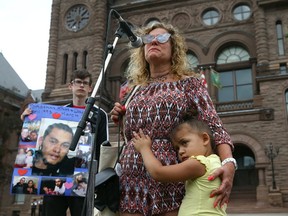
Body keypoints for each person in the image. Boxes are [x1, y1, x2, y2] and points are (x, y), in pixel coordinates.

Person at [110, 22, 236, 215]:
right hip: (131, 177)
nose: (154, 42)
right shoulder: (134, 89)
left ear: (174, 48)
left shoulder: (188, 83)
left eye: (161, 38)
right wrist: (121, 119)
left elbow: (214, 126)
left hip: (170, 175)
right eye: (148, 39)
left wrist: (229, 162)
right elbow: (132, 134)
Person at [21, 69, 109, 216]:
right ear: (71, 86)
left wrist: (98, 180)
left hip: (83, 180)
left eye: (85, 83)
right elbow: (39, 139)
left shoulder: (100, 114)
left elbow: (103, 148)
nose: (81, 86)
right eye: (78, 82)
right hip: (56, 176)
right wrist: (27, 120)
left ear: (90, 88)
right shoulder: (58, 113)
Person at [132, 116, 227, 215]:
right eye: (177, 148)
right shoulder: (215, 162)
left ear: (205, 139)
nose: (180, 151)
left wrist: (144, 148)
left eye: (184, 143)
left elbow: (158, 172)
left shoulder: (199, 163)